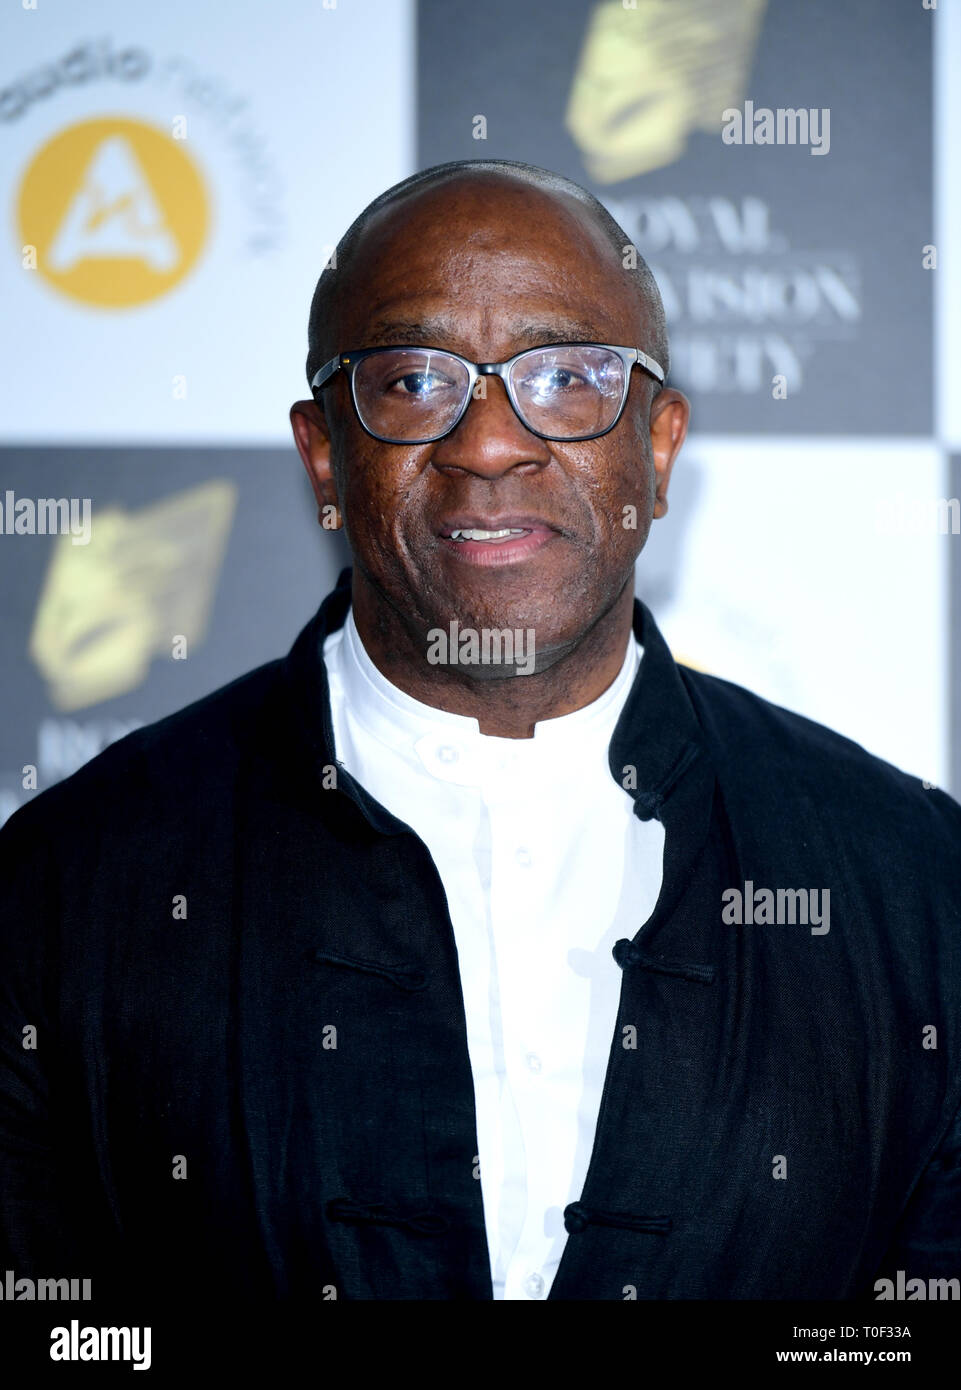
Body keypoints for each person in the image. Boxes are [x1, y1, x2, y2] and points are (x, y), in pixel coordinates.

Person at [1, 159, 959, 1306]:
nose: (489, 443)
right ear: (326, 455)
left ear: (657, 448)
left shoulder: (912, 884)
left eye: (565, 377)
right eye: (414, 380)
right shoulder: (65, 888)